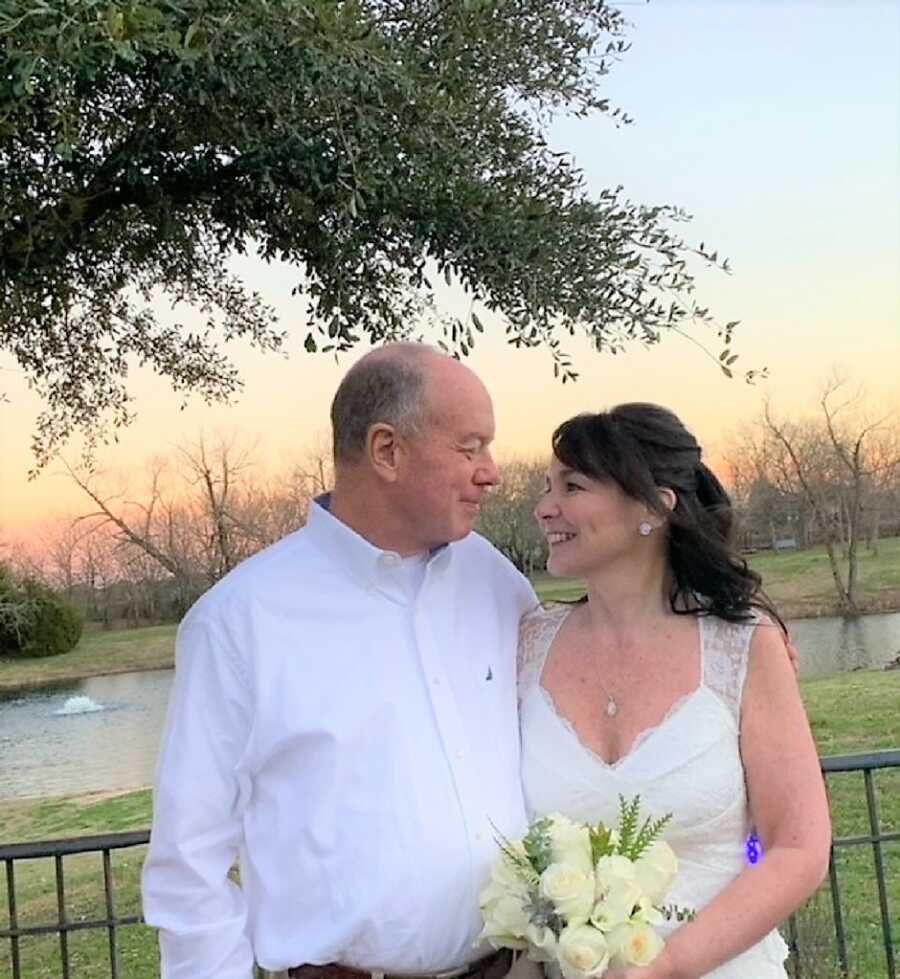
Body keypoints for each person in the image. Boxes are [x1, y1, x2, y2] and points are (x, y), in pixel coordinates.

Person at [141, 343, 538, 979]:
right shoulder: (239, 621)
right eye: (471, 448)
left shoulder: (496, 582)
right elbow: (190, 859)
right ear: (387, 451)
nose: (491, 473)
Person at [518, 403, 831, 979]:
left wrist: (667, 966)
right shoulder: (524, 644)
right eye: (546, 487)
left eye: (573, 486)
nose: (544, 508)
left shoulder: (742, 646)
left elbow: (798, 848)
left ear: (653, 508)